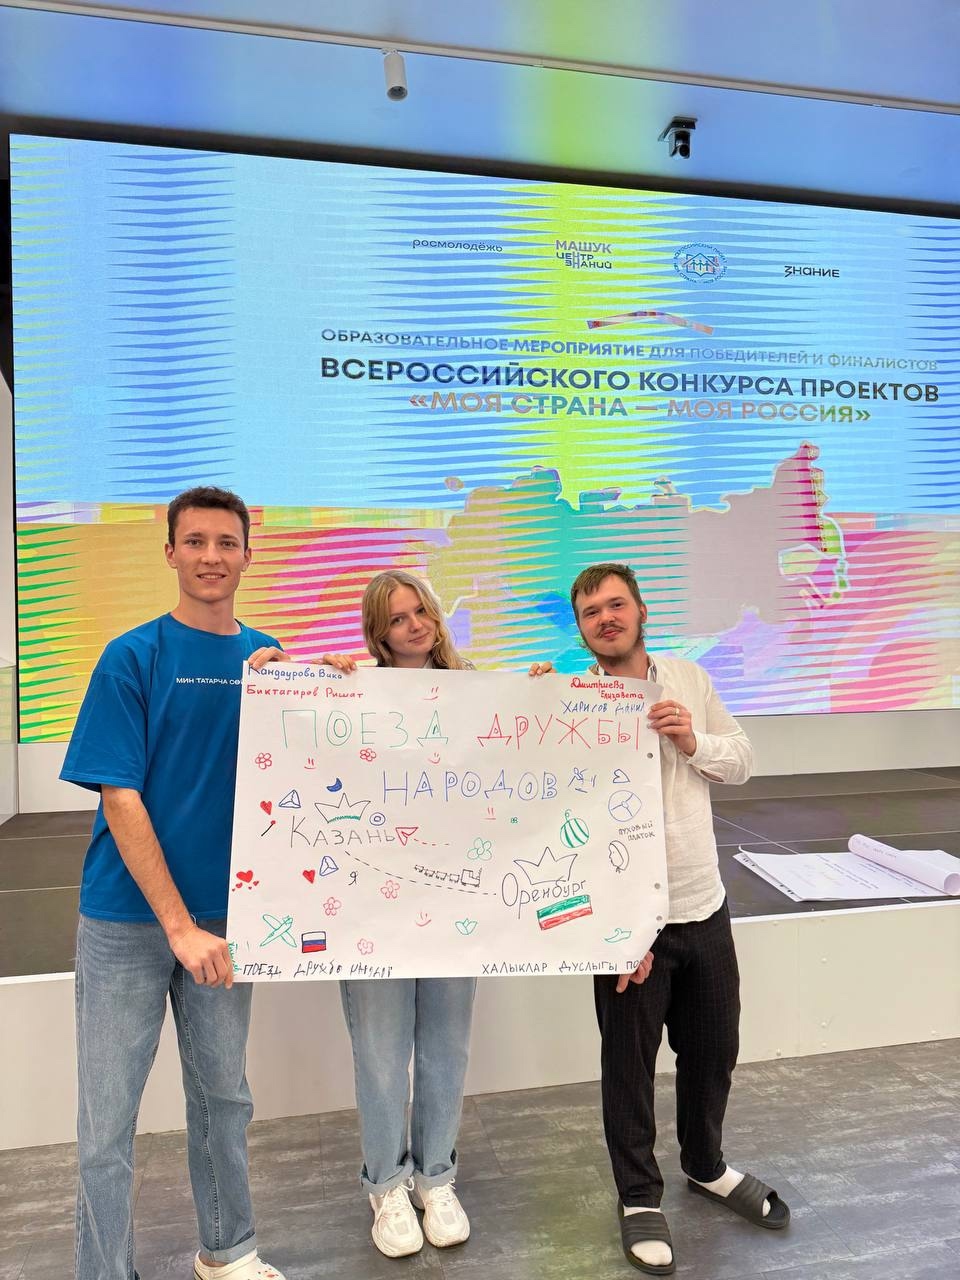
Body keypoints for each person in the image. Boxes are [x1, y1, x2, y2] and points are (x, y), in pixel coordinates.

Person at [251, 569, 551, 1260]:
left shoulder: (477, 691)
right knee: (381, 1054)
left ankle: (436, 1179)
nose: (415, 625)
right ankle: (386, 1186)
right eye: (397, 618)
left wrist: (539, 692)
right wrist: (281, 677)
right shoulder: (355, 689)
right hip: (372, 913)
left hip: (454, 906)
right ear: (377, 633)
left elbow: (520, 766)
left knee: (446, 1047)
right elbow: (304, 745)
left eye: (421, 611)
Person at [60, 486, 286, 1280]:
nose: (211, 556)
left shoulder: (268, 661)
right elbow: (120, 798)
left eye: (226, 542)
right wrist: (179, 926)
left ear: (247, 555)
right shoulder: (132, 657)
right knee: (107, 1123)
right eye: (195, 542)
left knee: (225, 1099)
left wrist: (325, 684)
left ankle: (228, 1251)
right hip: (127, 923)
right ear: (169, 553)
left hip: (226, 922)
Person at [568, 562, 789, 1276]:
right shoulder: (572, 702)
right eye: (591, 612)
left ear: (640, 611)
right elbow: (561, 822)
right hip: (629, 924)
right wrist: (612, 930)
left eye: (615, 604)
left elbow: (741, 760)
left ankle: (705, 1163)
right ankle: (638, 1197)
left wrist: (694, 741)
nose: (606, 618)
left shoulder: (690, 680)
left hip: (703, 904)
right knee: (628, 1068)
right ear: (581, 629)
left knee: (714, 1050)